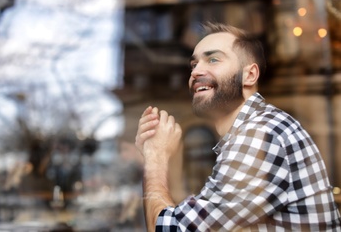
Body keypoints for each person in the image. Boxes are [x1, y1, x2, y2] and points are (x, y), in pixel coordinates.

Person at [135, 22, 341, 231]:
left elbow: (169, 228)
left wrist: (155, 157)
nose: (196, 72)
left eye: (213, 59)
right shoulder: (256, 130)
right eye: (194, 65)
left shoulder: (260, 134)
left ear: (249, 75)